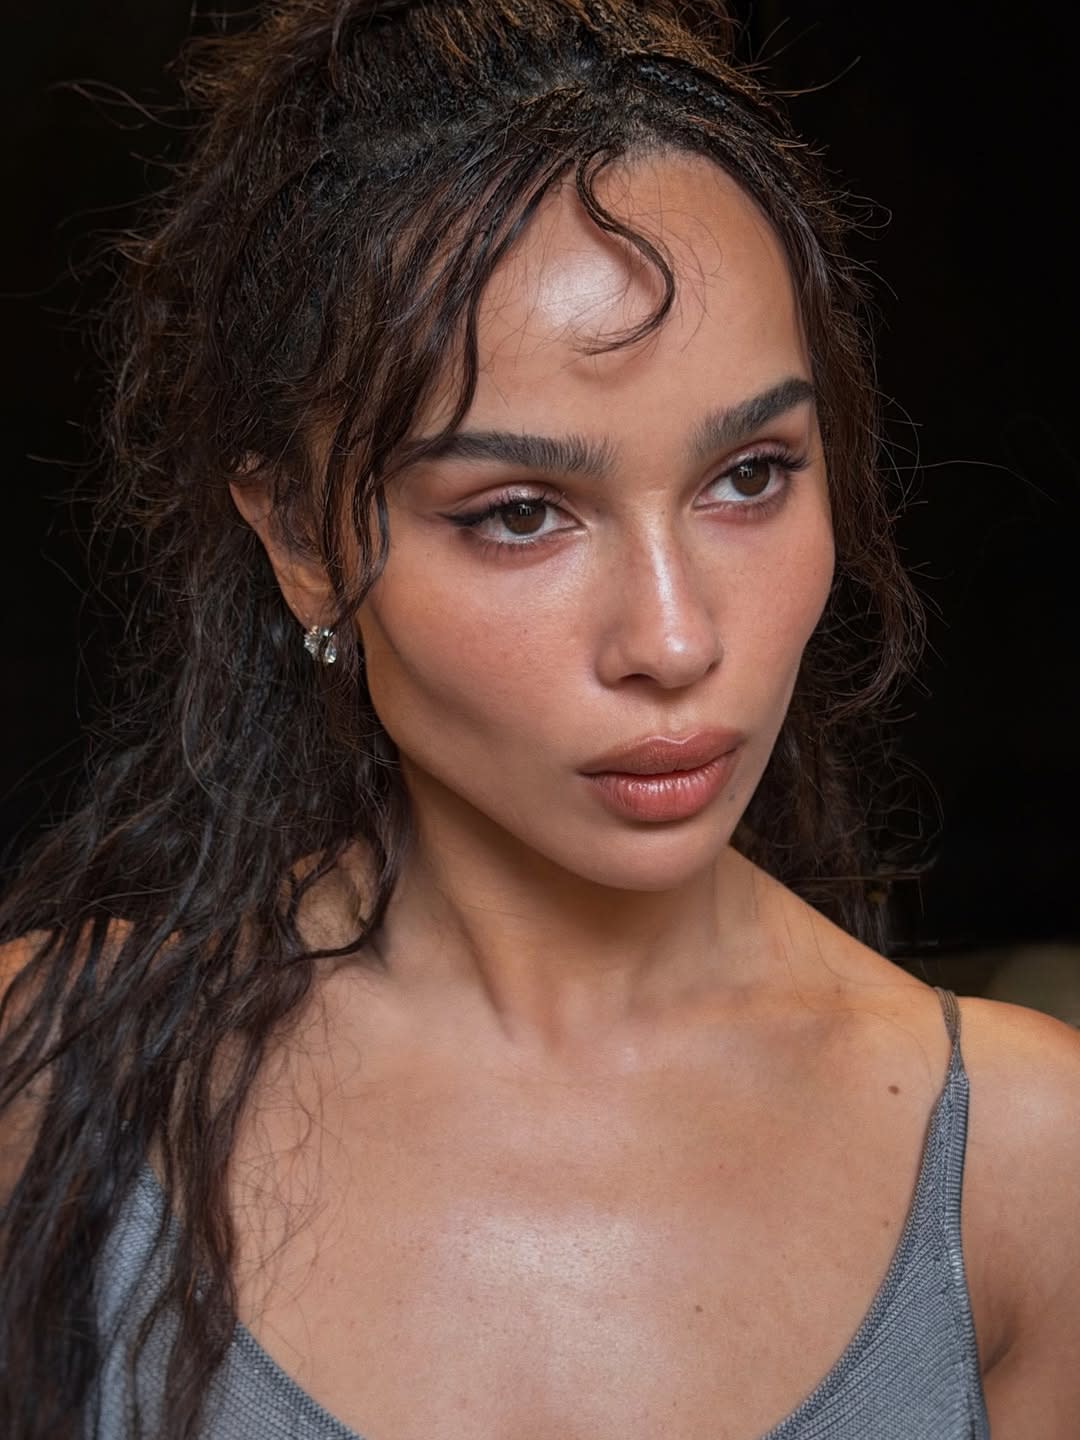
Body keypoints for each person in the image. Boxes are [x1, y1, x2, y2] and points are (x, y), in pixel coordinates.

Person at [1, 1, 1078, 1436]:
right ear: (302, 540)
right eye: (520, 514)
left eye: (750, 476)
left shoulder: (1024, 1163)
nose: (677, 639)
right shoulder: (51, 1090)